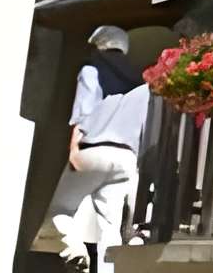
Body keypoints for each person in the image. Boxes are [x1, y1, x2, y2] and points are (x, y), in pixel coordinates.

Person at [39, 26, 146, 269]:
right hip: (126, 157)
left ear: (99, 43)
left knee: (59, 212)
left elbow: (83, 111)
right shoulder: (138, 83)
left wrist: (73, 150)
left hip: (93, 149)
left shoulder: (92, 69)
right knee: (110, 229)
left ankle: (75, 251)